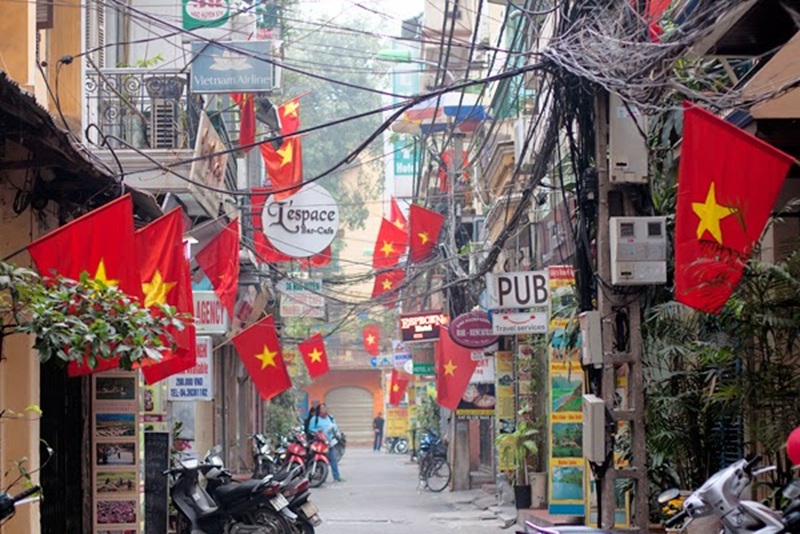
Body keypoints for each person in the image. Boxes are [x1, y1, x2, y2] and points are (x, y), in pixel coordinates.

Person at [308, 403, 344, 482]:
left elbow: (335, 428)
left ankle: (337, 476)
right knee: (318, 459)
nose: (324, 409)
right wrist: (317, 430)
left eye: (325, 408)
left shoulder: (330, 418)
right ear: (319, 410)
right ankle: (320, 476)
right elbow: (310, 429)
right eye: (322, 408)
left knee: (333, 459)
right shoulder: (315, 419)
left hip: (329, 442)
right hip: (319, 442)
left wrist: (335, 431)